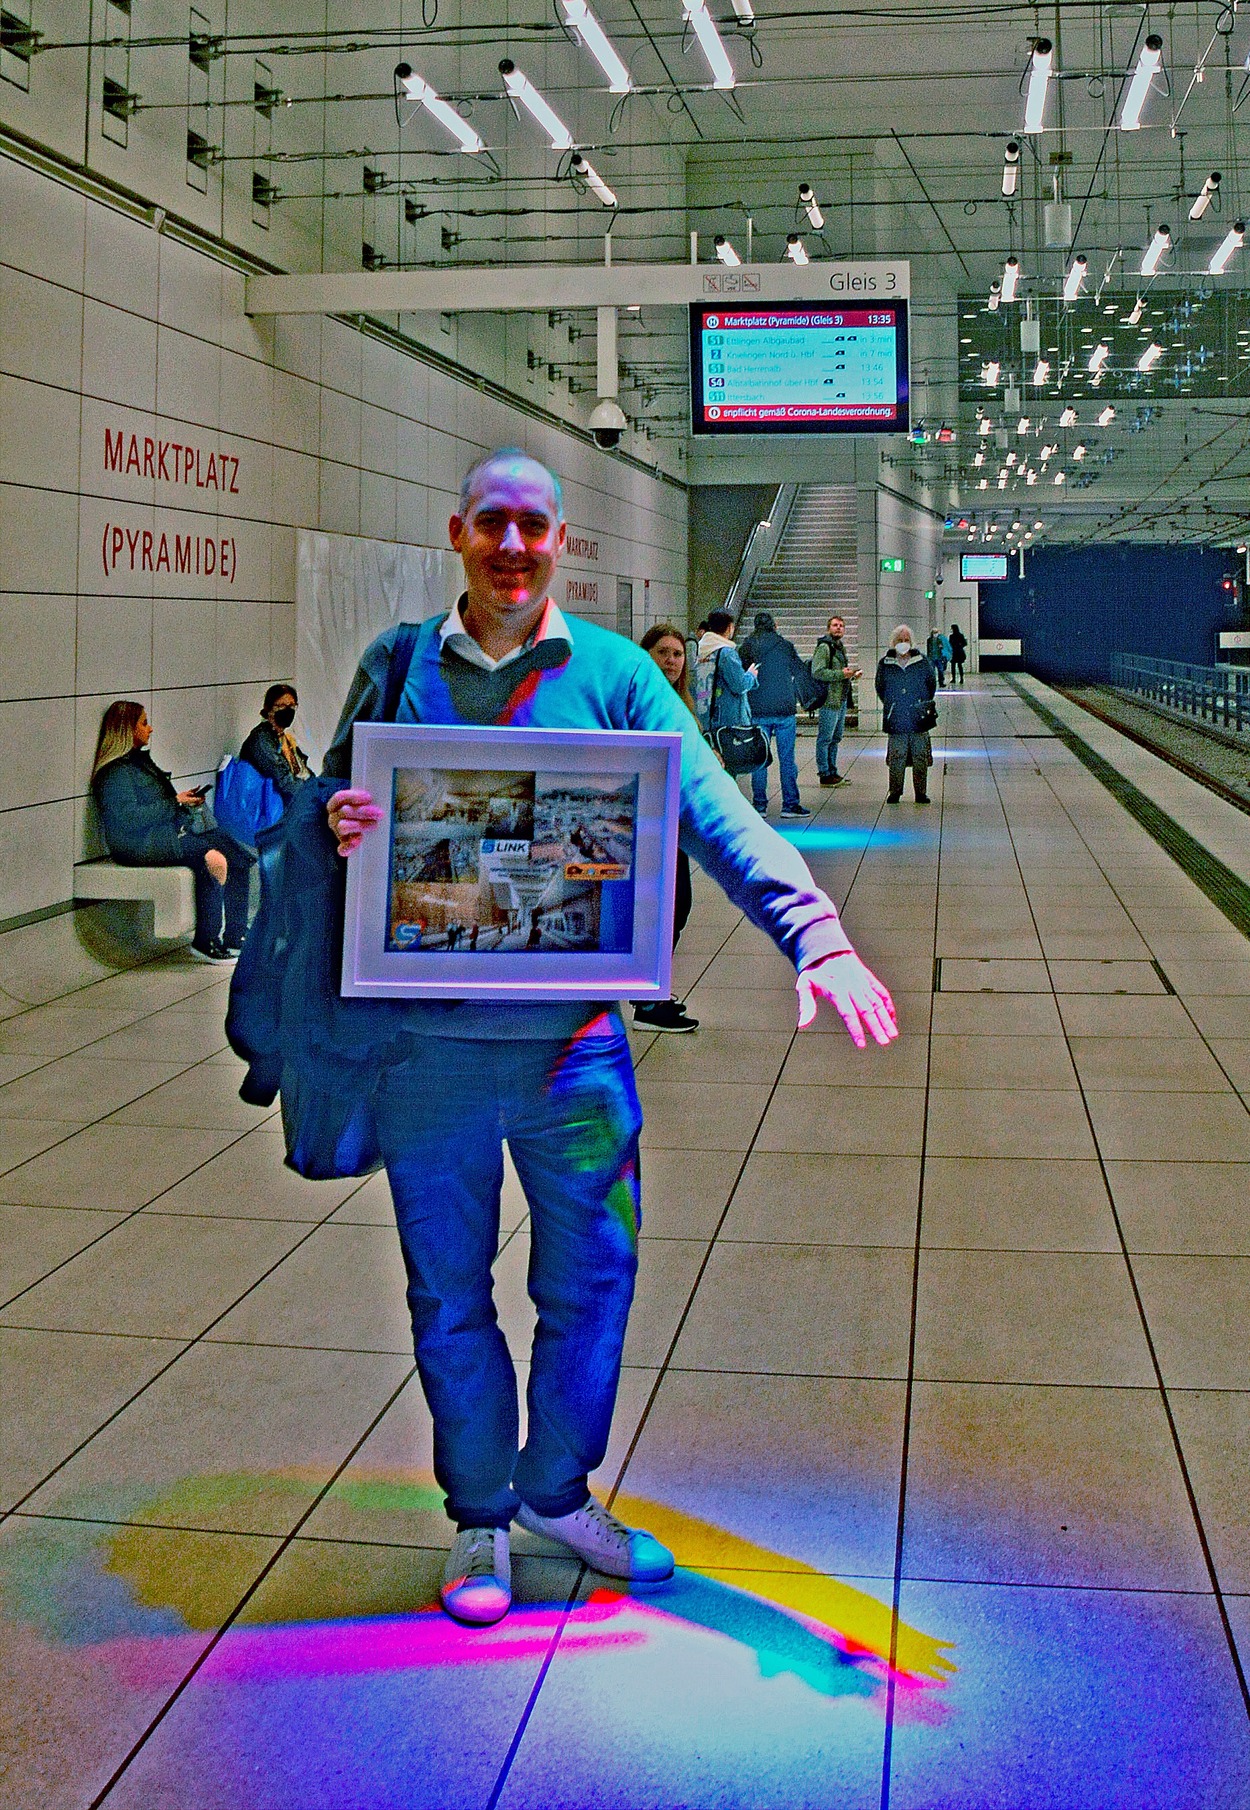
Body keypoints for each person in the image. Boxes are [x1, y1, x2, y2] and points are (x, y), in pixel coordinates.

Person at [315, 448, 896, 1630]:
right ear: (458, 531)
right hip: (426, 1049)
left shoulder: (622, 676)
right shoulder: (393, 667)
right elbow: (329, 809)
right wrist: (337, 822)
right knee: (448, 1290)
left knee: (595, 1279)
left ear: (562, 540)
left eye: (534, 526)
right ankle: (478, 1509)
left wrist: (814, 929)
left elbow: (716, 818)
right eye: (492, 525)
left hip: (573, 1052)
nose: (513, 547)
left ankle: (555, 1493)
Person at [91, 700, 255, 959]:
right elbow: (128, 818)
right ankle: (206, 940)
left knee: (238, 854)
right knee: (212, 859)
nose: (150, 729)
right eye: (143, 723)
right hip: (139, 845)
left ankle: (237, 932)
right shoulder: (115, 773)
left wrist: (180, 800)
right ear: (127, 730)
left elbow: (154, 804)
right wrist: (174, 802)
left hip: (160, 836)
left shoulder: (138, 763)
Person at [636, 623, 699, 1034]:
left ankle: (653, 991)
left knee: (677, 905)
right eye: (664, 652)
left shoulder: (680, 702)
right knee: (665, 906)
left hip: (673, 818)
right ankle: (647, 999)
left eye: (677, 654)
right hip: (647, 818)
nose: (672, 661)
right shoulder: (638, 700)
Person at [736, 611, 812, 820]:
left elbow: (741, 675)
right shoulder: (785, 646)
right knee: (787, 759)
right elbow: (799, 670)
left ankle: (759, 805)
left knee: (759, 760)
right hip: (784, 709)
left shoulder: (748, 646)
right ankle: (790, 805)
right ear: (774, 626)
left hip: (758, 709)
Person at [875, 626, 938, 804]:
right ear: (893, 643)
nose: (903, 643)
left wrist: (922, 702)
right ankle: (895, 791)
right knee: (896, 756)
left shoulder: (922, 661)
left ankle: (921, 793)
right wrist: (891, 703)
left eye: (906, 640)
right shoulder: (885, 663)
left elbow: (931, 684)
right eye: (899, 640)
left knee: (920, 756)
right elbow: (880, 687)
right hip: (896, 716)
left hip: (919, 716)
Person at [239, 683, 313, 804]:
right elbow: (283, 782)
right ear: (269, 709)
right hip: (267, 807)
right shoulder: (261, 740)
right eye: (282, 706)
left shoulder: (285, 739)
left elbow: (302, 770)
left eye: (291, 706)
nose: (288, 710)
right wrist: (313, 794)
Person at [811, 614, 862, 788]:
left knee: (835, 737)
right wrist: (841, 674)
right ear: (828, 628)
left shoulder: (839, 647)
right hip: (828, 700)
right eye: (835, 625)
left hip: (839, 700)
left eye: (841, 625)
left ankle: (832, 771)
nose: (838, 628)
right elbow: (817, 672)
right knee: (825, 738)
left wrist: (851, 676)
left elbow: (840, 673)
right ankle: (824, 773)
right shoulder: (824, 648)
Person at [694, 608, 757, 736]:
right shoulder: (727, 654)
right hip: (728, 721)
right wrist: (751, 675)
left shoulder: (701, 650)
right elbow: (740, 685)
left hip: (704, 716)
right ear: (730, 627)